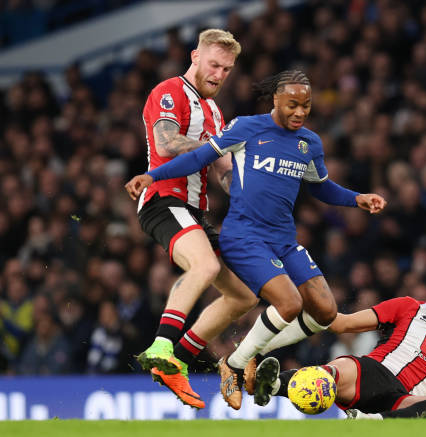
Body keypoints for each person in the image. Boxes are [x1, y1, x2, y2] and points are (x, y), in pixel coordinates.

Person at [125, 70, 387, 410]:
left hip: (284, 241)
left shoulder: (310, 142)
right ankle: (233, 365)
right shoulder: (247, 127)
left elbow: (320, 186)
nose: (299, 113)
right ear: (276, 100)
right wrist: (152, 175)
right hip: (245, 236)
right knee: (289, 304)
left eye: (306, 106)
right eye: (292, 105)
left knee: (325, 310)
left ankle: (248, 354)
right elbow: (198, 158)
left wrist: (357, 199)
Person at [133, 28, 259, 409]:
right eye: (214, 64)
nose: (220, 74)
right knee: (203, 266)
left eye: (227, 69)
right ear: (195, 57)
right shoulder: (170, 92)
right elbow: (167, 142)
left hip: (193, 211)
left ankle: (179, 361)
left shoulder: (215, 111)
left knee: (242, 296)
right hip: (161, 199)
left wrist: (247, 187)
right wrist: (218, 146)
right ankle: (160, 346)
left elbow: (220, 169)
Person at [254, 260, 426, 419]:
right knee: (335, 371)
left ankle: (373, 422)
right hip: (372, 375)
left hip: (405, 404)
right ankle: (274, 384)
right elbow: (344, 323)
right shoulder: (409, 307)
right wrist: (310, 304)